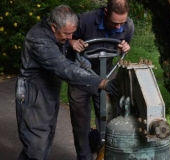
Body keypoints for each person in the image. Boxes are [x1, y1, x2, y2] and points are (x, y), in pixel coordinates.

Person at [15, 5, 117, 160]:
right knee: (36, 146)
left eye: (72, 33)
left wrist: (82, 62)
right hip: (33, 94)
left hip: (47, 91)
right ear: (54, 26)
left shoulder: (55, 35)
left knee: (45, 139)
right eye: (67, 33)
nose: (70, 38)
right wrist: (101, 82)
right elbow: (63, 68)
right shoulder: (39, 40)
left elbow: (66, 59)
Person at [68, 0, 134, 159]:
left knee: (108, 118)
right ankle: (84, 156)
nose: (119, 27)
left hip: (107, 72)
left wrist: (125, 47)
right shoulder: (84, 21)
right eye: (115, 22)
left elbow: (126, 44)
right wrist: (73, 42)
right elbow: (66, 37)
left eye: (122, 23)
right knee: (80, 121)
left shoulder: (129, 25)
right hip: (81, 75)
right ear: (106, 12)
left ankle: (103, 155)